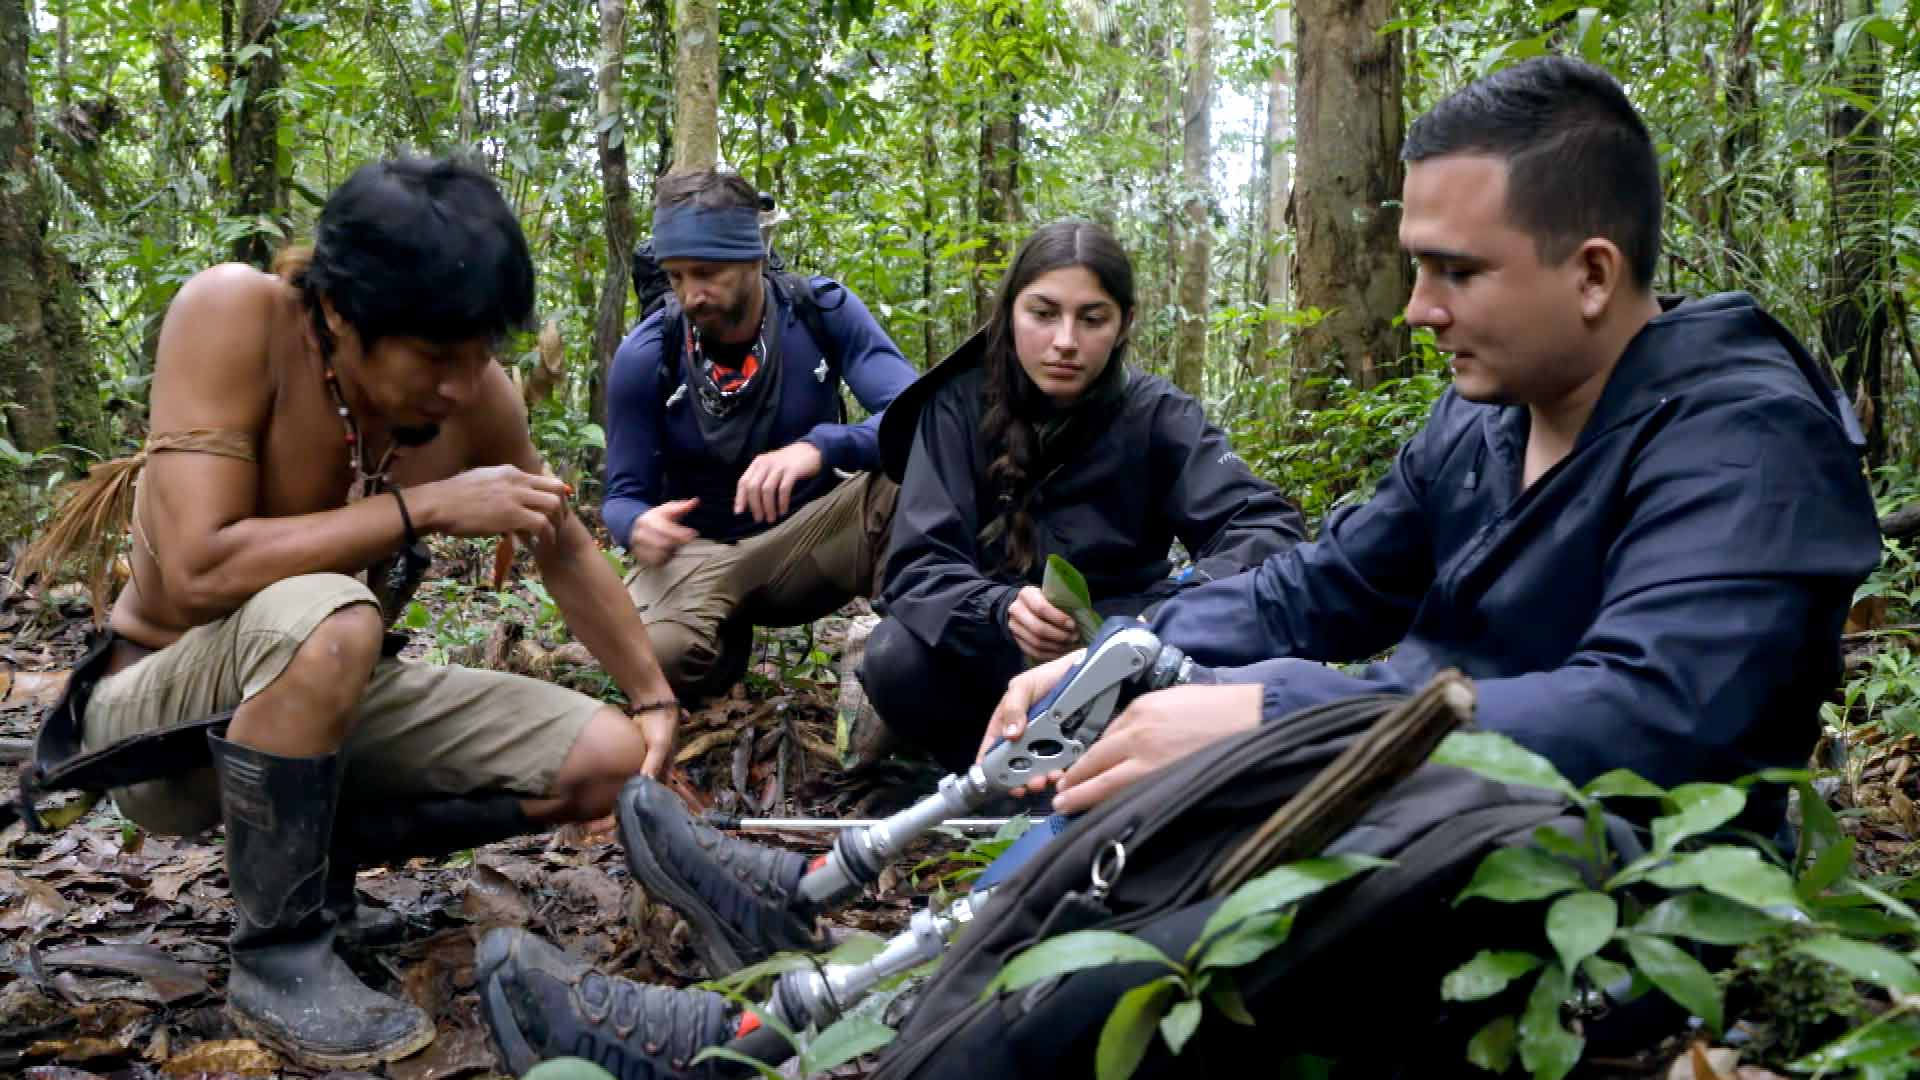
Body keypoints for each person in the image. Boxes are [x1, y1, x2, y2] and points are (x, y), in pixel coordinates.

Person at [471, 56, 1882, 1078]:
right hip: (1395, 772)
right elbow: (1321, 585)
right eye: (1414, 265)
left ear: (1591, 272)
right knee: (1163, 741)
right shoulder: (1479, 417)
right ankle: (791, 1007)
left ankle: (849, 1047)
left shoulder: (1742, 435)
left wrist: (1269, 715)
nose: (1417, 307)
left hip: (1580, 857)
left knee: (1181, 885)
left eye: (1455, 271)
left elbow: (1656, 713)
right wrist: (1135, 653)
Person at [18, 157, 682, 1070]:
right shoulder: (235, 314)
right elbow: (197, 571)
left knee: (603, 757)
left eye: (479, 353)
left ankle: (314, 875)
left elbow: (559, 542)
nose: (462, 385)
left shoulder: (472, 393)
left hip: (319, 685)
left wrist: (652, 696)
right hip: (155, 727)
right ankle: (279, 953)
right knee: (335, 616)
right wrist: (424, 508)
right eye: (434, 358)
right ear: (338, 312)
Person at [858, 220, 1306, 770]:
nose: (1065, 342)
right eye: (1043, 314)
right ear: (1010, 313)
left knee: (1257, 637)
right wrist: (1001, 609)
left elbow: (1265, 528)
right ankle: (989, 769)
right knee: (894, 658)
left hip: (1127, 652)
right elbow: (920, 566)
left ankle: (1108, 763)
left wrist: (1162, 615)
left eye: (1092, 319)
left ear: (1124, 325)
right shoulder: (954, 407)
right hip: (993, 649)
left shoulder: (1159, 413)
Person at [602, 169, 919, 702]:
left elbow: (913, 415)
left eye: (708, 273)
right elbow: (621, 494)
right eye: (676, 277)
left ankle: (906, 658)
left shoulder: (820, 312)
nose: (691, 295)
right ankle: (718, 648)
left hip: (812, 541)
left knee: (907, 482)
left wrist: (820, 446)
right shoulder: (649, 353)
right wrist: (635, 525)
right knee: (654, 661)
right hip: (699, 549)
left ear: (753, 259)